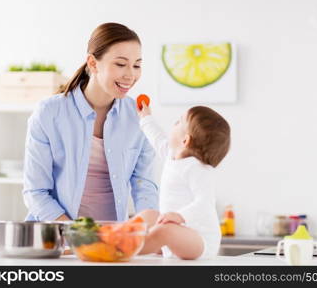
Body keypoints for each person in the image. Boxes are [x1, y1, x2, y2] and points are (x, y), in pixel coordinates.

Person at [23, 23, 159, 222]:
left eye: (137, 65)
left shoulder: (138, 116)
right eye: (121, 64)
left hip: (112, 240)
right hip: (57, 237)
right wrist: (75, 234)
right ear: (93, 63)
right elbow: (35, 191)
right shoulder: (49, 112)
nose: (131, 75)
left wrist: (149, 229)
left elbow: (145, 186)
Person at [135, 103, 230, 260]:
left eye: (179, 122)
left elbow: (204, 203)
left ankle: (120, 248)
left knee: (164, 231)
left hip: (200, 241)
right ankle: (115, 236)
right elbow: (157, 138)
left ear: (185, 140)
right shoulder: (172, 156)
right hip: (176, 232)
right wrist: (146, 118)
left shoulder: (198, 169)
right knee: (147, 216)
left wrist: (180, 216)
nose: (174, 123)